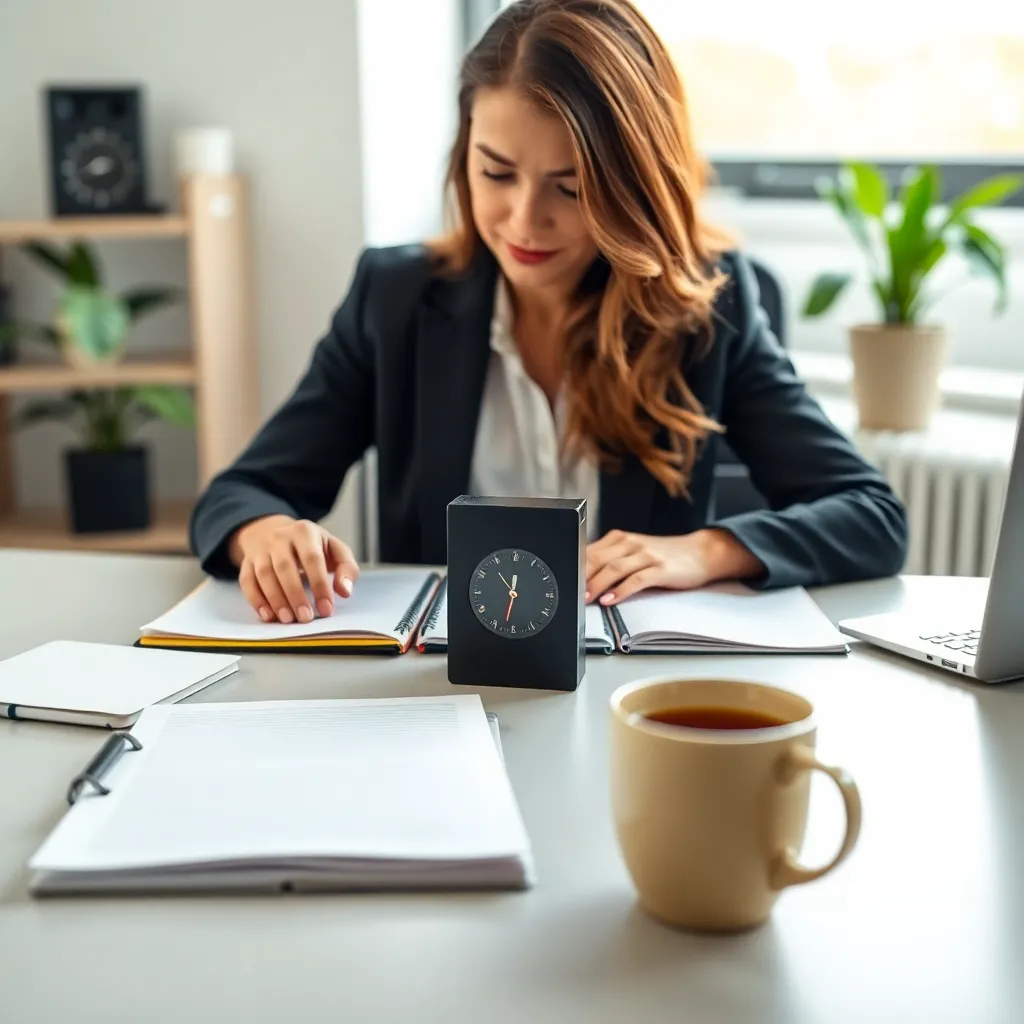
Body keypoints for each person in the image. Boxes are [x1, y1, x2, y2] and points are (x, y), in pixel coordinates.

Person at [190, 0, 908, 626]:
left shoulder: (706, 312)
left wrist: (703, 552)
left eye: (571, 187)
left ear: (634, 187)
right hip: (438, 694)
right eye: (495, 173)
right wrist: (265, 533)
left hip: (630, 696)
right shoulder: (396, 298)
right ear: (461, 155)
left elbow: (871, 515)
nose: (525, 221)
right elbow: (239, 492)